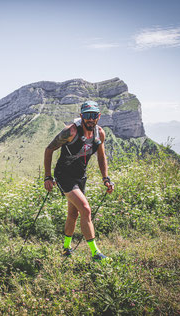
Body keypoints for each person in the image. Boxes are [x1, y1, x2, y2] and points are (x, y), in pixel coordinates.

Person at [43, 100, 114, 261]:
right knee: (85, 209)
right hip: (63, 175)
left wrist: (106, 179)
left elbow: (101, 157)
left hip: (80, 177)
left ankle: (66, 248)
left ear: (98, 116)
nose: (91, 119)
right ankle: (95, 253)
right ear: (81, 116)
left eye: (94, 116)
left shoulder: (99, 133)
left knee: (73, 214)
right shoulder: (70, 132)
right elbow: (49, 150)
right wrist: (48, 176)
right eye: (87, 116)